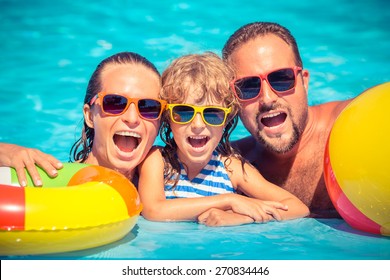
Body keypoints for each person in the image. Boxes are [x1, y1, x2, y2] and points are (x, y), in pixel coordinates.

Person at [138, 52, 309, 226]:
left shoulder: (230, 168)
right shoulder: (157, 161)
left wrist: (242, 217)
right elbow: (154, 210)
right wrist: (228, 201)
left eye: (212, 114)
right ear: (168, 117)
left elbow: (297, 207)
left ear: (227, 119)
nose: (198, 125)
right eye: (184, 112)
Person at [222, 22, 354, 217]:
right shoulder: (228, 164)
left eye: (281, 79)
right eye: (248, 86)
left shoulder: (350, 124)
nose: (267, 99)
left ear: (304, 81)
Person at [0, 51, 164, 186]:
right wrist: (8, 152)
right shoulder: (55, 181)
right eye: (115, 103)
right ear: (89, 115)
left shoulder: (170, 193)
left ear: (160, 122)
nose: (132, 118)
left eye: (149, 107)